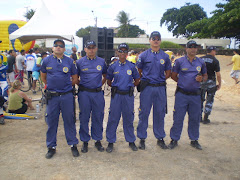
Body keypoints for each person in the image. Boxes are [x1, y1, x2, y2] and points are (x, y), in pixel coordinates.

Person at [41, 39, 79, 159]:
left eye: (61, 46)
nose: (58, 47)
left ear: (64, 49)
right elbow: (43, 77)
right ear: (53, 48)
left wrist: (65, 87)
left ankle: (73, 145)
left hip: (67, 96)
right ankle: (51, 147)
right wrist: (53, 86)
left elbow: (75, 78)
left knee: (69, 121)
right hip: (53, 97)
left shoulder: (69, 61)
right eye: (56, 46)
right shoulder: (46, 60)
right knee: (52, 122)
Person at [168, 40, 207, 150]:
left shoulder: (201, 62)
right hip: (182, 95)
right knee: (178, 118)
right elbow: (174, 75)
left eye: (195, 47)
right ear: (186, 49)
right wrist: (183, 83)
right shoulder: (179, 61)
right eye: (191, 47)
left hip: (195, 95)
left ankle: (194, 140)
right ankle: (174, 139)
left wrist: (202, 79)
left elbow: (205, 75)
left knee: (194, 118)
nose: (193, 49)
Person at [136, 31, 171, 150]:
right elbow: (138, 71)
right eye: (153, 38)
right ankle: (142, 138)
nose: (156, 40)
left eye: (158, 38)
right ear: (150, 40)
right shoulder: (143, 56)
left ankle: (160, 138)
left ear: (160, 41)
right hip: (147, 88)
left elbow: (168, 72)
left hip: (160, 88)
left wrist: (159, 79)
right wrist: (148, 80)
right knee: (144, 113)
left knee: (160, 113)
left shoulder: (165, 56)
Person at [105, 43, 140, 153]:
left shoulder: (131, 66)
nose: (123, 53)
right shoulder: (113, 66)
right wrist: (117, 87)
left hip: (128, 96)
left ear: (127, 53)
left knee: (128, 118)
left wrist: (130, 87)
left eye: (125, 51)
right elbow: (109, 81)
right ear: (117, 52)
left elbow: (137, 80)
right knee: (113, 118)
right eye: (121, 51)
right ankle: (110, 141)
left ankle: (131, 141)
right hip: (116, 96)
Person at [76, 40, 107, 153]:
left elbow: (105, 75)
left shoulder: (101, 61)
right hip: (84, 94)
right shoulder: (79, 62)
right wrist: (83, 86)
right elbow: (75, 77)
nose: (91, 50)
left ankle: (97, 140)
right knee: (84, 117)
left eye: (93, 47)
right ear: (85, 49)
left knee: (98, 116)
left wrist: (99, 85)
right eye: (89, 47)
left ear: (96, 49)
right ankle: (85, 141)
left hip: (98, 94)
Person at [200, 46, 221, 124]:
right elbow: (218, 74)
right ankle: (206, 117)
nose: (215, 53)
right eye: (215, 51)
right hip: (211, 82)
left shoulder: (200, 59)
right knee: (210, 100)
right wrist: (219, 84)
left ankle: (199, 117)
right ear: (212, 51)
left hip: (201, 81)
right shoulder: (215, 60)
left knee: (200, 99)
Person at [0, 40, 8, 125]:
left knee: (2, 97)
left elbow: (6, 66)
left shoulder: (3, 56)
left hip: (2, 80)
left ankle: (1, 115)